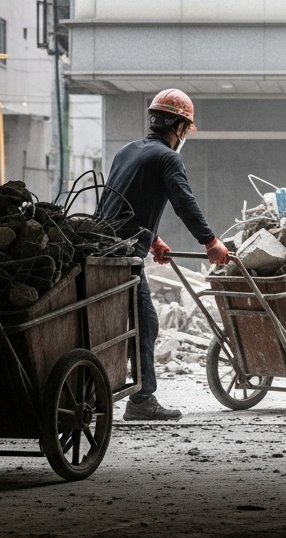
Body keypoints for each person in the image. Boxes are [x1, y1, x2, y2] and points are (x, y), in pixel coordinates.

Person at [97, 89, 229, 421]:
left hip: (100, 248)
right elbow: (183, 202)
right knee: (146, 323)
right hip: (124, 255)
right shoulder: (168, 158)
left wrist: (154, 239)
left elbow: (118, 203)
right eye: (186, 129)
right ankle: (142, 400)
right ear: (179, 127)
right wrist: (210, 242)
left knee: (111, 322)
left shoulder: (127, 152)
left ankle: (105, 389)